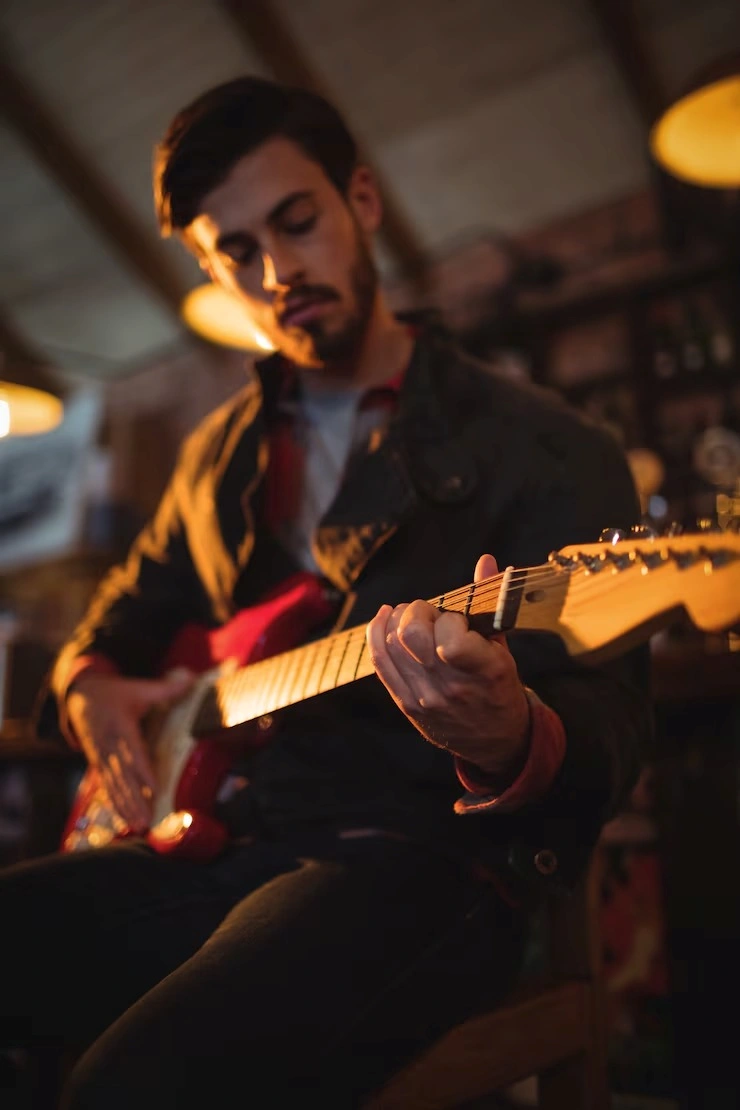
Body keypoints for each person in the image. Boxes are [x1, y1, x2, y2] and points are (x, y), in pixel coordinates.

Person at [0, 77, 651, 1109]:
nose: (277, 272)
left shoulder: (546, 447)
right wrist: (88, 686)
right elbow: (122, 612)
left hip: (413, 856)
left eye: (295, 222)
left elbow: (612, 725)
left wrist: (506, 735)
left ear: (362, 200)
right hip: (216, 840)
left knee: (126, 1088)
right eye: (238, 255)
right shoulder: (216, 454)